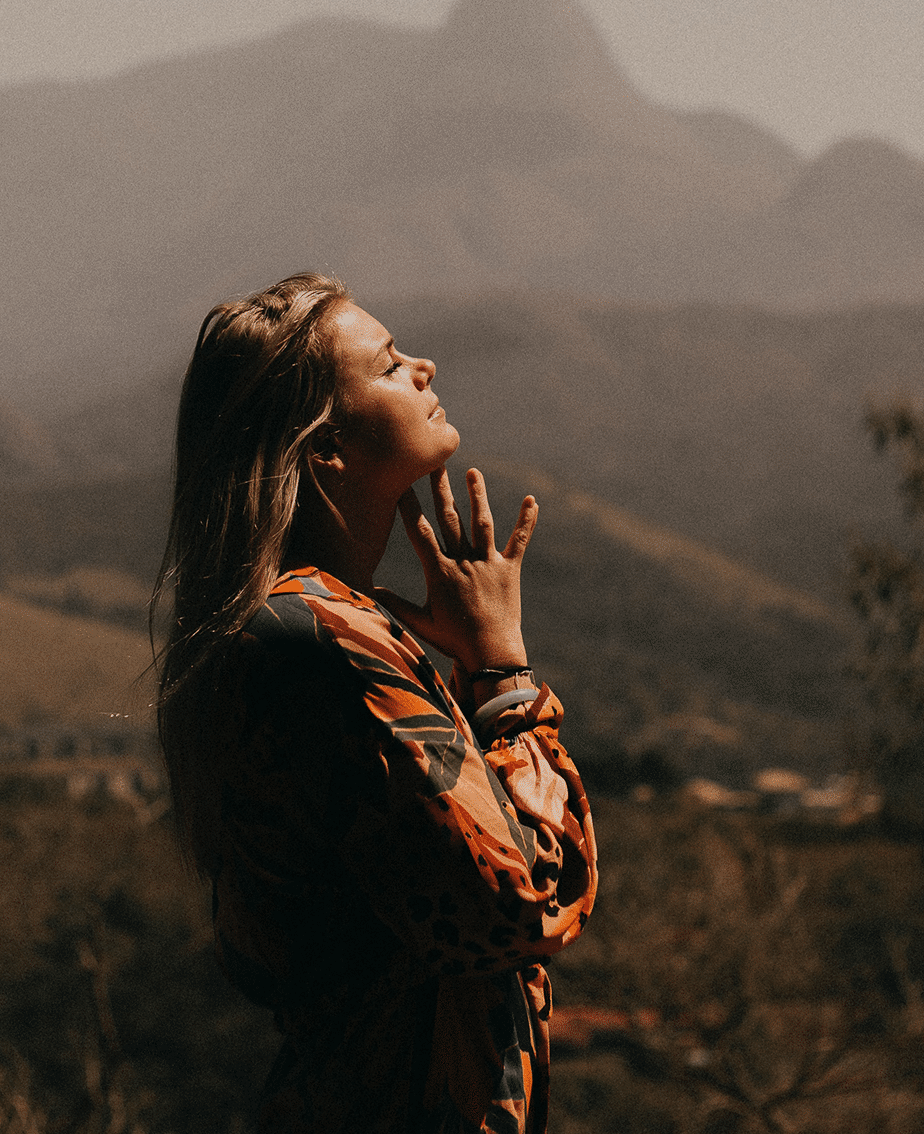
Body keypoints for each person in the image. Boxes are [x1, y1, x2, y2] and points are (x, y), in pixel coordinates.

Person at [153, 272, 597, 1134]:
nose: (425, 366)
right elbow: (531, 896)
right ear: (323, 449)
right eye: (391, 365)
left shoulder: (311, 630)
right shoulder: (317, 642)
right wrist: (504, 674)